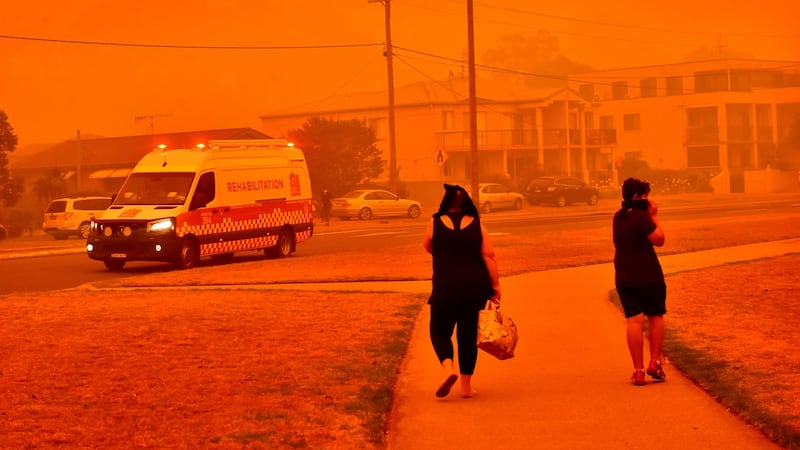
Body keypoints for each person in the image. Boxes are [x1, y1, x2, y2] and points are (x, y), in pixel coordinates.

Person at [422, 184, 501, 398]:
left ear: (446, 202)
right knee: (467, 336)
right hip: (474, 289)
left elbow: (428, 246)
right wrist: (495, 287)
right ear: (467, 203)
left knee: (439, 332)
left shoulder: (434, 223)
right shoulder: (477, 225)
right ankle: (466, 388)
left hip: (445, 288)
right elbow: (489, 256)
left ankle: (448, 369)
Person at [613, 177, 667, 386]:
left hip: (625, 276)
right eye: (646, 196)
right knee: (655, 316)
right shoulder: (642, 217)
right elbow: (659, 240)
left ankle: (638, 370)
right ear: (637, 197)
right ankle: (654, 362)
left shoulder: (618, 217)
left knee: (634, 321)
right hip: (648, 275)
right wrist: (654, 217)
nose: (649, 200)